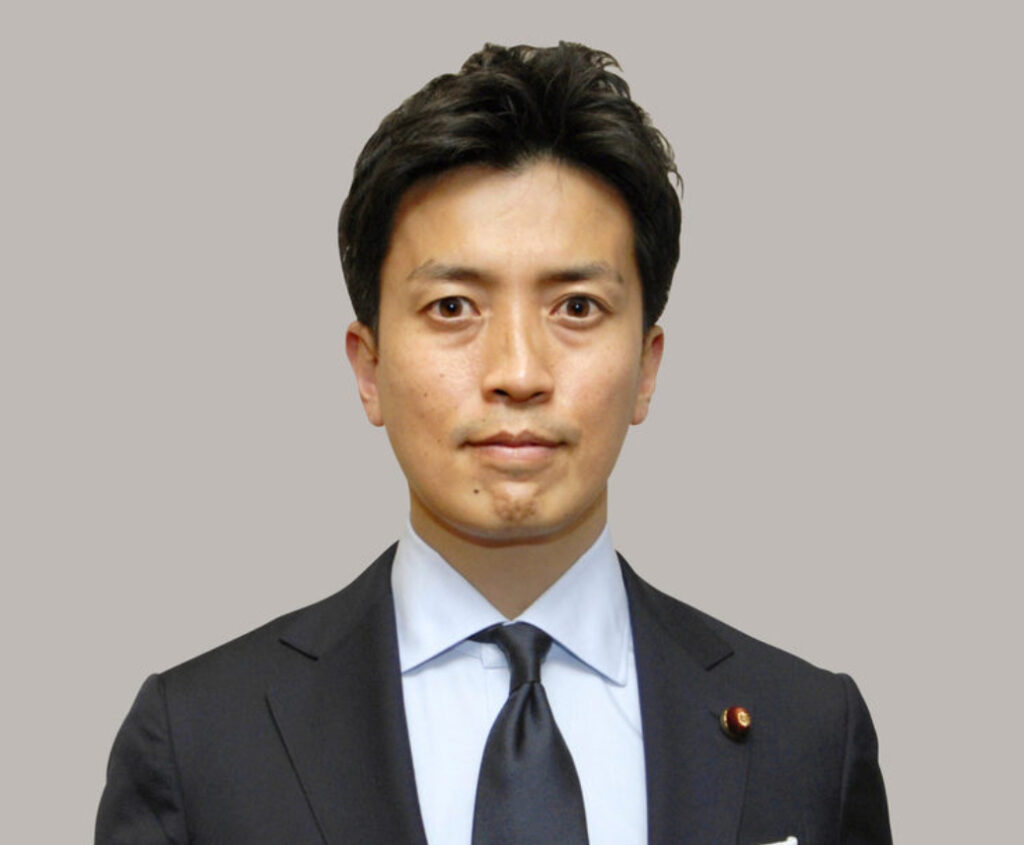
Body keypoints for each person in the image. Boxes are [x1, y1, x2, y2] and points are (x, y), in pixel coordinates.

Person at [96, 42, 892, 845]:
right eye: (453, 307)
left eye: (576, 306)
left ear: (646, 368)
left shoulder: (808, 733)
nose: (518, 373)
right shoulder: (200, 742)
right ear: (369, 368)